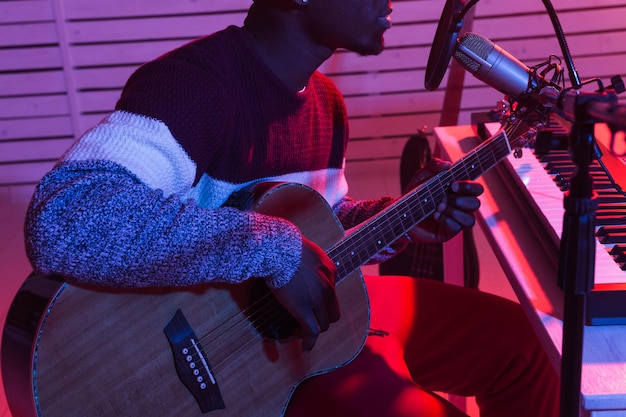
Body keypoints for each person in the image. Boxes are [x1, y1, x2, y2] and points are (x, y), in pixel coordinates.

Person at [23, 0, 560, 416]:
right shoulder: (196, 86)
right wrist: (275, 249)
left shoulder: (325, 101)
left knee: (528, 349)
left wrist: (404, 217)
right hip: (219, 354)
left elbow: (316, 222)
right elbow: (65, 219)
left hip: (310, 317)